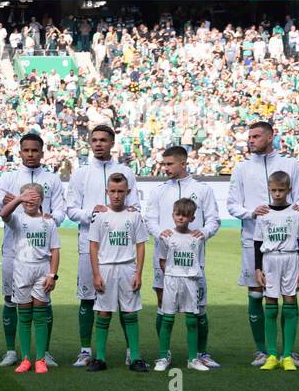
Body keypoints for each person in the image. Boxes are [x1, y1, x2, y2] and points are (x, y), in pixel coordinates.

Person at [0, 133, 64, 368]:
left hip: (41, 253)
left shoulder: (52, 180)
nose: (31, 154)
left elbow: (61, 211)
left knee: (43, 299)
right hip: (13, 251)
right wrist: (8, 201)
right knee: (10, 299)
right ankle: (11, 351)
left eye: (35, 150)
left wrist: (50, 215)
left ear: (42, 153)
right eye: (26, 150)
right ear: (20, 152)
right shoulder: (10, 177)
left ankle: (45, 353)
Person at [227, 121, 299, 368]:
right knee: (256, 292)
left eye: (256, 136)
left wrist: (295, 212)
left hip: (286, 246)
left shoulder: (290, 165)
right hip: (253, 240)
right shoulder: (241, 168)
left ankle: (287, 352)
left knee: (288, 295)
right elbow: (232, 204)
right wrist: (252, 212)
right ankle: (263, 350)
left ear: (271, 136)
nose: (250, 140)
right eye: (249, 137)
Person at [66, 124, 139, 367]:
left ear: (112, 143)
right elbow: (71, 210)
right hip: (90, 245)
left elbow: (135, 206)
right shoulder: (80, 173)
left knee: (126, 301)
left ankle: (131, 351)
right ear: (90, 143)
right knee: (87, 296)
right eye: (94, 140)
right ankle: (86, 350)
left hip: (121, 250)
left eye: (103, 140)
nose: (98, 144)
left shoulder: (125, 172)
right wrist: (92, 213)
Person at [144, 146, 221, 370]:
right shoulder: (158, 191)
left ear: (183, 163)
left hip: (193, 261)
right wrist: (160, 233)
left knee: (199, 307)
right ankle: (164, 354)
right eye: (164, 164)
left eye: (169, 164)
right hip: (164, 259)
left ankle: (201, 353)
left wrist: (204, 232)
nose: (165, 168)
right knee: (162, 306)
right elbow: (149, 219)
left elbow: (214, 220)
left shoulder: (202, 189)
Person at [86, 173, 149, 373]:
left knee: (130, 311)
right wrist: (96, 274)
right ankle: (100, 358)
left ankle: (136, 357)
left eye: (120, 191)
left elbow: (140, 246)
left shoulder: (134, 215)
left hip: (127, 267)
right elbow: (93, 246)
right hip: (106, 268)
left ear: (128, 192)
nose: (116, 195)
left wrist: (138, 273)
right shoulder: (100, 216)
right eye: (112, 191)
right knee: (104, 312)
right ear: (107, 192)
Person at [0, 184, 59, 374]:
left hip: (42, 270)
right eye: (26, 198)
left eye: (34, 198)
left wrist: (52, 275)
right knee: (24, 316)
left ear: (41, 200)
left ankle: (40, 359)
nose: (29, 202)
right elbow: (3, 214)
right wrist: (18, 199)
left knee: (40, 315)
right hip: (21, 270)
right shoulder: (17, 218)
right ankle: (25, 359)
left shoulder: (49, 222)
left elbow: (55, 250)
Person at [253, 172, 299, 371]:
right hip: (269, 259)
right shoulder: (263, 213)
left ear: (289, 190)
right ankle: (272, 354)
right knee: (271, 302)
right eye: (274, 190)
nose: (277, 194)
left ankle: (287, 356)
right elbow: (257, 242)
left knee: (290, 300)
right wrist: (258, 268)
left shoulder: (296, 212)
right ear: (269, 189)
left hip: (290, 258)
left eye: (281, 190)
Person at [153, 198, 209, 372]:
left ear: (192, 218)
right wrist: (171, 274)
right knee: (167, 319)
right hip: (171, 280)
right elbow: (162, 260)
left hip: (190, 281)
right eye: (178, 215)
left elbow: (198, 262)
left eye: (185, 216)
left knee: (192, 320)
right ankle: (163, 356)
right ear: (172, 215)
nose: (181, 218)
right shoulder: (167, 236)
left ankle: (193, 358)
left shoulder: (197, 238)